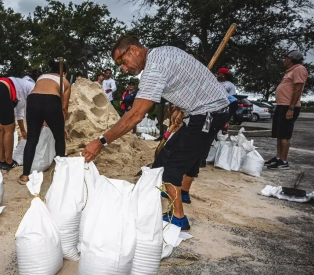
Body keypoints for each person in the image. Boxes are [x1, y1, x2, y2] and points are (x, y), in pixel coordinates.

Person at [82, 36, 230, 230]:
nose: (124, 69)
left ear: (133, 50)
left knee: (170, 164)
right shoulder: (163, 51)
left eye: (122, 62)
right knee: (180, 154)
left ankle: (178, 217)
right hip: (206, 109)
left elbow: (135, 115)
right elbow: (185, 80)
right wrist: (179, 106)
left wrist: (101, 142)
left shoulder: (153, 68)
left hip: (207, 113)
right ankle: (182, 192)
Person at [18, 60, 71, 184]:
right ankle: (60, 172)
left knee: (32, 139)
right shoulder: (65, 82)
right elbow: (64, 108)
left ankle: (25, 175)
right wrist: (60, 125)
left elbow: (41, 95)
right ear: (64, 73)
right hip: (52, 101)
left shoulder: (41, 77)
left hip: (32, 100)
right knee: (59, 138)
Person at [265, 50, 307, 170]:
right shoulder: (290, 71)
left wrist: (291, 108)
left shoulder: (299, 69)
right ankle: (278, 158)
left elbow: (298, 90)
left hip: (288, 106)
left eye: (286, 58)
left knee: (285, 135)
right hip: (281, 105)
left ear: (290, 59)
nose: (284, 60)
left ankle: (284, 161)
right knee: (279, 134)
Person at [0, 76, 34, 170]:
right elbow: (29, 112)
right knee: (9, 130)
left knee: (0, 129)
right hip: (0, 90)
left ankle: (1, 161)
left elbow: (19, 111)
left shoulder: (20, 85)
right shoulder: (33, 87)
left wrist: (22, 130)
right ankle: (9, 162)